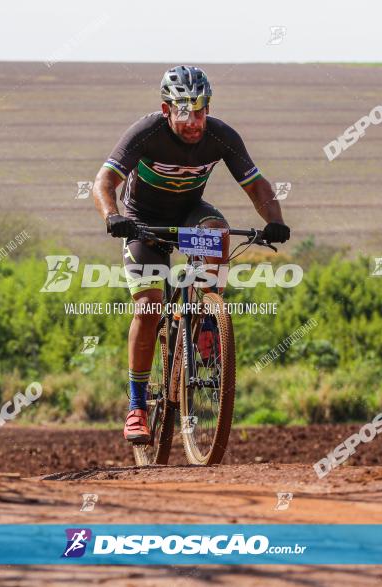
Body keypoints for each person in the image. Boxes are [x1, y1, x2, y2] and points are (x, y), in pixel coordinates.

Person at [92, 65, 290, 443]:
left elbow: (256, 186)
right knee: (148, 307)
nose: (194, 121)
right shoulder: (146, 131)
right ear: (167, 109)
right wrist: (112, 216)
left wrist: (275, 220)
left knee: (216, 231)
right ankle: (136, 406)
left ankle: (206, 319)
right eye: (184, 111)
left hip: (188, 214)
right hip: (142, 223)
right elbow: (104, 181)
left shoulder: (220, 136)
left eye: (200, 111)